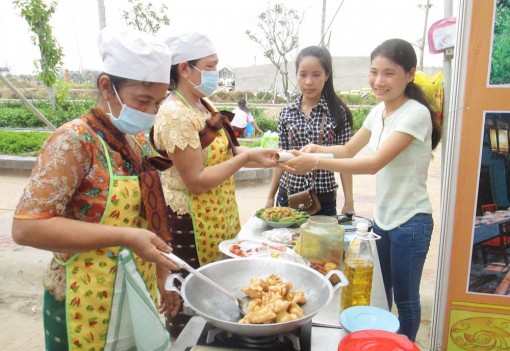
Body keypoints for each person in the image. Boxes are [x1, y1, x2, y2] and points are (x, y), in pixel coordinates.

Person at [11, 27, 180, 351]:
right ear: (107, 87)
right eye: (142, 100)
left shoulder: (137, 141)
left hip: (134, 289)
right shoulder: (74, 141)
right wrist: (125, 236)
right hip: (82, 299)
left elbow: (151, 213)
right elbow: (26, 228)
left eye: (158, 103)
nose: (150, 113)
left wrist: (162, 271)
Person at [281, 38, 442, 342]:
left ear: (409, 74)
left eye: (389, 73)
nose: (379, 81)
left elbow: (372, 164)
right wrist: (319, 149)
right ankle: (383, 344)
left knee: (407, 302)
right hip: (383, 220)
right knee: (385, 295)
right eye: (374, 71)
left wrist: (314, 161)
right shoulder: (379, 111)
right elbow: (348, 150)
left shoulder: (415, 113)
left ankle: (401, 347)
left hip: (411, 222)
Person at [152, 32, 277, 337]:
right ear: (184, 68)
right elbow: (195, 181)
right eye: (209, 66)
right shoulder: (175, 115)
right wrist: (240, 161)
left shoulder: (201, 103)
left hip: (217, 216)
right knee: (193, 297)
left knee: (220, 295)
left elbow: (228, 153)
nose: (213, 73)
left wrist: (258, 157)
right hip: (190, 223)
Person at [266, 45, 355, 216]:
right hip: (288, 196)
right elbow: (281, 157)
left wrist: (349, 201)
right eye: (303, 74)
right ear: (296, 75)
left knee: (321, 244)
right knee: (284, 242)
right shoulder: (286, 112)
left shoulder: (338, 113)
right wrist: (271, 196)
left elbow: (345, 159)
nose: (308, 81)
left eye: (316, 75)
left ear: (327, 75)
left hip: (323, 200)